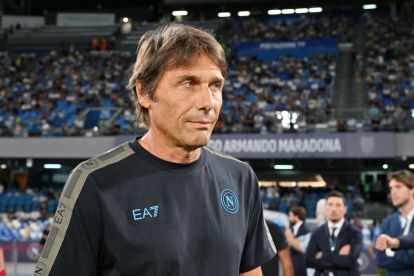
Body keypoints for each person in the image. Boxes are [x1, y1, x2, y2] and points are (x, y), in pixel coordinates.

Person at [34, 23, 276, 276]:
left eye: (215, 85)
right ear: (144, 92)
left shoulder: (240, 177)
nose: (208, 102)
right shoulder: (94, 182)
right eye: (188, 83)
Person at [306, 191, 362, 276]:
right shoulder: (317, 232)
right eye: (330, 204)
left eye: (338, 205)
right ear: (325, 208)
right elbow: (308, 260)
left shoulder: (355, 233)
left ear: (345, 209)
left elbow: (350, 260)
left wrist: (323, 256)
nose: (333, 209)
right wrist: (339, 258)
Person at [376, 170, 414, 275]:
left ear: (412, 190)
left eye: (398, 187)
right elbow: (380, 260)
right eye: (391, 188)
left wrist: (392, 252)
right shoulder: (387, 222)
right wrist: (407, 256)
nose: (393, 192)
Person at [285, 206, 309, 276]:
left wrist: (291, 240)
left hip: (300, 268)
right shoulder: (289, 230)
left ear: (296, 216)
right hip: (289, 266)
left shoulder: (306, 232)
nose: (289, 218)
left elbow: (303, 248)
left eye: (290, 215)